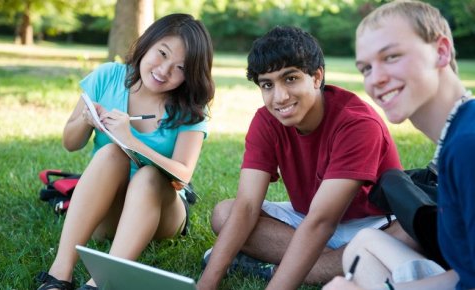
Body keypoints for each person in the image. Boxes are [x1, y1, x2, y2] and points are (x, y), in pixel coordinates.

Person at [198, 26, 413, 290]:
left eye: (290, 79)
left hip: (370, 226)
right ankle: (337, 265)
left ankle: (281, 268)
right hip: (307, 218)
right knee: (225, 214)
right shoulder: (267, 120)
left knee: (412, 235)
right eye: (268, 84)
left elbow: (323, 221)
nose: (280, 97)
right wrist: (205, 285)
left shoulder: (357, 124)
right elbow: (247, 207)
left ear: (316, 76)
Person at [35, 13, 214, 290]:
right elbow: (70, 143)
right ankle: (59, 274)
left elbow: (182, 174)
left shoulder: (190, 109)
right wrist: (87, 119)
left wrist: (131, 140)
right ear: (147, 43)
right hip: (107, 211)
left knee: (150, 176)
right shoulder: (108, 77)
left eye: (180, 67)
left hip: (161, 213)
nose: (164, 70)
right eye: (162, 54)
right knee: (110, 154)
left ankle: (100, 283)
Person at [323, 1, 474, 289]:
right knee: (363, 244)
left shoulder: (468, 146)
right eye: (366, 68)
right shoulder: (458, 133)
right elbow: (464, 270)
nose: (375, 79)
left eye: (391, 56)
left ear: (441, 52)